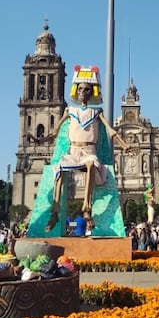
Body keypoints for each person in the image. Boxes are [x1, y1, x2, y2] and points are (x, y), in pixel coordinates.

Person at [40, 65, 132, 231]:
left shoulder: (96, 112)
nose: (83, 92)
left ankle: (87, 209)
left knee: (90, 165)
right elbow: (55, 132)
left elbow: (111, 130)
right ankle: (54, 211)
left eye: (87, 89)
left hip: (89, 152)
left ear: (93, 92)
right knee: (59, 168)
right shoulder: (69, 111)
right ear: (76, 90)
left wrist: (124, 145)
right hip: (73, 152)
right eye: (80, 89)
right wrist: (39, 140)